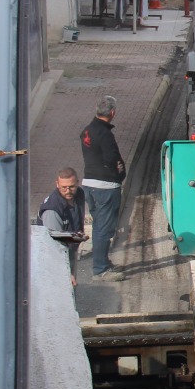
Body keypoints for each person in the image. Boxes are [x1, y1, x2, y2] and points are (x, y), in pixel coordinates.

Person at [81, 96, 126, 281]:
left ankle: (103, 262)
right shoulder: (105, 134)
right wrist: (119, 172)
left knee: (99, 225)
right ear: (113, 112)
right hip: (105, 187)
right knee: (103, 229)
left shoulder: (87, 131)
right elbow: (111, 158)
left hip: (89, 185)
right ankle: (100, 270)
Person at [39, 167, 87, 287]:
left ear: (77, 182)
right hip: (56, 257)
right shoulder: (52, 211)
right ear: (57, 184)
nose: (68, 191)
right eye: (63, 187)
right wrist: (65, 272)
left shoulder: (79, 194)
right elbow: (54, 246)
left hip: (70, 249)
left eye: (71, 187)